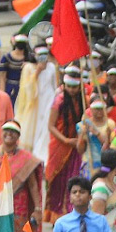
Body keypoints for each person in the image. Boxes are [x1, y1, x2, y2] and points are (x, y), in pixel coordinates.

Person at [44, 74, 86, 222]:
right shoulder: (59, 101)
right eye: (69, 87)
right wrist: (66, 140)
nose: (72, 90)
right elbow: (51, 126)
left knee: (73, 178)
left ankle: (70, 212)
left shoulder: (83, 100)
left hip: (76, 145)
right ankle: (55, 215)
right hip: (60, 145)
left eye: (75, 87)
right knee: (57, 180)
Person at [0, 35, 32, 106]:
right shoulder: (6, 58)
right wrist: (2, 95)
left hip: (25, 88)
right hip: (10, 88)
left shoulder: (30, 58)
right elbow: (2, 77)